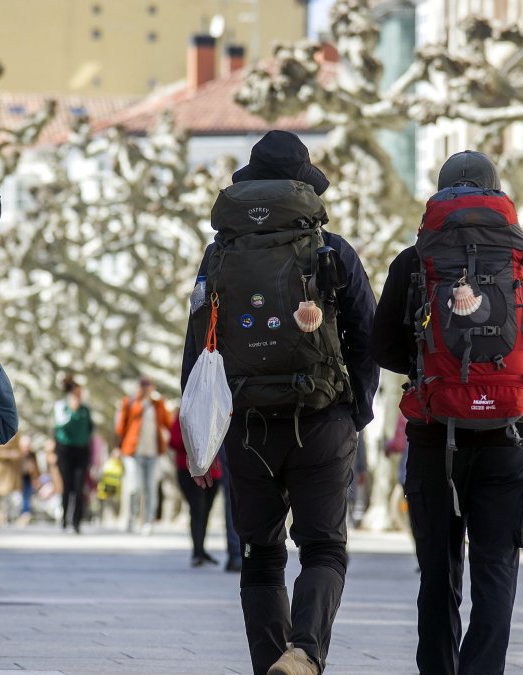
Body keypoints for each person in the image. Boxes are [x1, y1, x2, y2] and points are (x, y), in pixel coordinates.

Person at [370, 150, 523, 674]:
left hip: (432, 434)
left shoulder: (413, 261)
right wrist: (511, 380)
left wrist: (436, 376)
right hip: (509, 437)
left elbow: (382, 346)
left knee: (438, 573)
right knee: (495, 571)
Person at [181, 130, 379, 675]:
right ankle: (305, 651)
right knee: (323, 549)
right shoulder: (330, 250)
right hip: (321, 419)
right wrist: (355, 412)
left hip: (245, 425)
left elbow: (200, 345)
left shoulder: (218, 254)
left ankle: (271, 661)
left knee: (261, 558)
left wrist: (201, 440)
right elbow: (368, 336)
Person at [115, 376, 171, 535]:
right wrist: (117, 447)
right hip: (133, 452)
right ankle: (131, 519)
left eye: (148, 386)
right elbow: (120, 427)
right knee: (134, 486)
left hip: (153, 452)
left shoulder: (158, 404)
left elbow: (168, 423)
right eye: (143, 386)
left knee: (150, 488)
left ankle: (147, 522)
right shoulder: (130, 402)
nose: (146, 389)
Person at [168, 411, 222, 567]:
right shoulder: (185, 413)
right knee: (197, 509)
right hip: (189, 470)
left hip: (213, 471)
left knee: (206, 511)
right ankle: (197, 552)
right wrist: (197, 442)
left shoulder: (216, 411)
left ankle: (201, 549)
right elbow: (174, 441)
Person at [53, 377, 95, 533]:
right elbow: (59, 425)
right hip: (65, 450)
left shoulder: (86, 409)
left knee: (79, 487)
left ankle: (76, 521)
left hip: (81, 450)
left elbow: (90, 429)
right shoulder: (61, 407)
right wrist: (72, 411)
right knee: (67, 485)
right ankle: (64, 518)